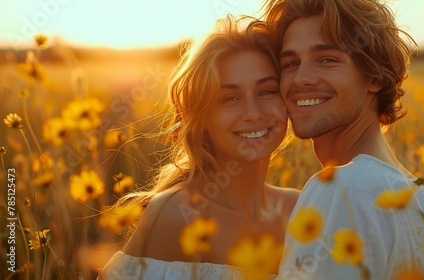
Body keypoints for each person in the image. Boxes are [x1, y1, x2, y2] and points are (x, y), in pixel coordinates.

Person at [99, 16, 300, 279]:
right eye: (230, 98)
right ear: (200, 116)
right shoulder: (175, 216)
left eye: (267, 91)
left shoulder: (301, 208)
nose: (253, 113)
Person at [262, 0, 424, 278]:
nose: (301, 78)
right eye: (290, 63)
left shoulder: (338, 191)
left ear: (374, 75)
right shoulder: (419, 200)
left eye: (327, 59)